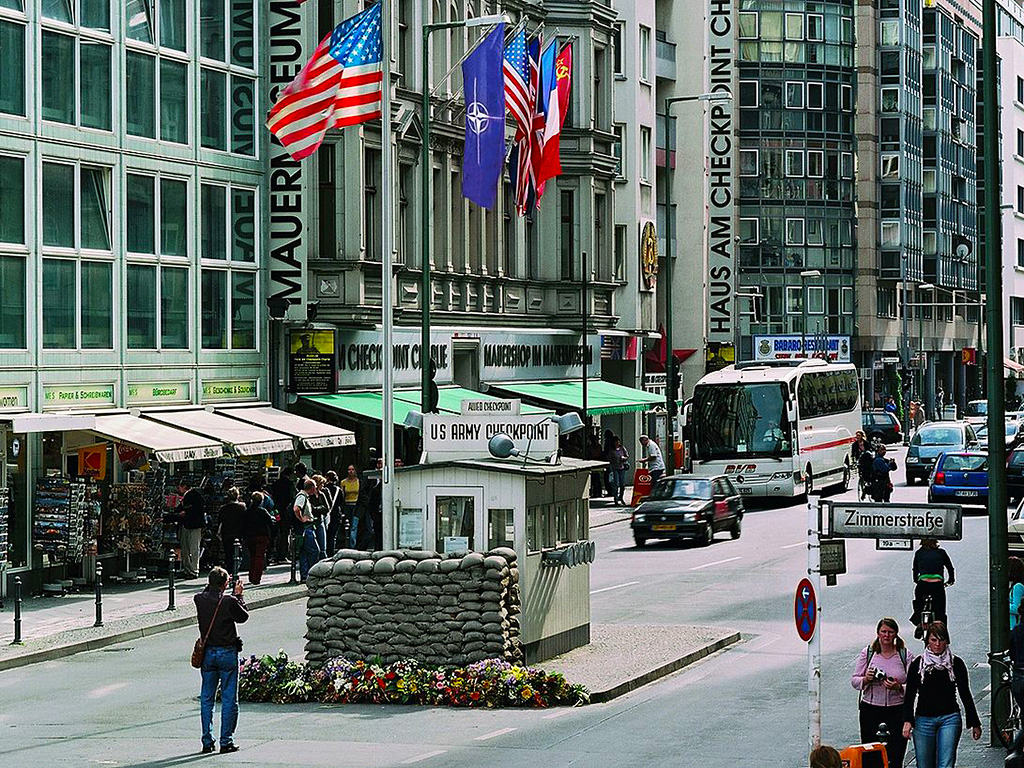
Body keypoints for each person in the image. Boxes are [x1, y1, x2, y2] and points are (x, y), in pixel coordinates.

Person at [902, 622, 981, 768]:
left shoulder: (955, 663)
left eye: (941, 640)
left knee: (946, 763)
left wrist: (974, 722)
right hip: (924, 718)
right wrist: (908, 720)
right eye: (933, 640)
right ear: (928, 642)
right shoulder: (918, 664)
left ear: (947, 641)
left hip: (949, 717)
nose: (938, 644)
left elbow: (965, 693)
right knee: (924, 764)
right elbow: (910, 695)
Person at [195, 566, 248, 754]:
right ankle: (226, 741)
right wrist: (238, 596)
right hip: (227, 653)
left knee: (207, 699)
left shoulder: (199, 599)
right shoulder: (228, 601)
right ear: (225, 584)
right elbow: (243, 616)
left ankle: (207, 740)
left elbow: (206, 592)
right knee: (228, 699)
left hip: (208, 654)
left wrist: (218, 585)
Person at [851, 618, 916, 768]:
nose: (886, 635)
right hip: (871, 708)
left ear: (896, 634)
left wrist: (898, 687)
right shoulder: (868, 653)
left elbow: (914, 686)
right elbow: (855, 681)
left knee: (896, 753)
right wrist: (866, 679)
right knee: (870, 753)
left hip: (897, 709)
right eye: (883, 632)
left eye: (890, 632)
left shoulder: (904, 655)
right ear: (878, 633)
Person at [911, 538, 954, 638]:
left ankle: (919, 623)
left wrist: (917, 580)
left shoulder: (919, 553)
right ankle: (942, 633)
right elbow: (950, 567)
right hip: (937, 585)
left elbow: (915, 569)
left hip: (923, 584)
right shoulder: (941, 553)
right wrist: (951, 579)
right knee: (940, 611)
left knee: (918, 604)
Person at [175, 480, 207, 579]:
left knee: (193, 548)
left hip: (194, 525)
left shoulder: (193, 495)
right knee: (186, 548)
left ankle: (193, 570)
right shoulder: (189, 495)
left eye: (179, 487)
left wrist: (185, 512)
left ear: (184, 486)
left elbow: (194, 509)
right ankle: (188, 569)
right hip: (188, 525)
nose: (178, 489)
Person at [292, 479, 322, 581]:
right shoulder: (302, 497)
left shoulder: (302, 496)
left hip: (302, 529)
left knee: (304, 552)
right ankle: (312, 574)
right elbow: (296, 509)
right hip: (306, 528)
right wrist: (302, 519)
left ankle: (305, 576)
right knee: (314, 551)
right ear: (313, 488)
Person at [242, 491, 274, 585]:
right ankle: (256, 578)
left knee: (252, 556)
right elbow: (270, 523)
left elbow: (243, 524)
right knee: (259, 556)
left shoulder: (247, 512)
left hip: (250, 536)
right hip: (261, 535)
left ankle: (251, 576)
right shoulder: (263, 511)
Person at [218, 487, 247, 576]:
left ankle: (230, 571)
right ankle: (236, 570)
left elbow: (220, 522)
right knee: (238, 553)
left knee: (228, 554)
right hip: (239, 533)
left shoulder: (223, 509)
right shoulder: (242, 507)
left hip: (226, 533)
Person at [268, 467, 295, 563]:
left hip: (276, 511)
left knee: (274, 533)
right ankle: (282, 555)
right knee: (284, 534)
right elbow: (292, 498)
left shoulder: (275, 484)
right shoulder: (290, 484)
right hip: (285, 512)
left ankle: (270, 554)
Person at [322, 471, 343, 555]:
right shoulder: (339, 490)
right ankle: (330, 553)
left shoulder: (324, 489)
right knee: (332, 536)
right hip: (336, 514)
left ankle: (324, 552)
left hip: (325, 514)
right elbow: (341, 502)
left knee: (324, 535)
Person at [341, 465, 361, 548]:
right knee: (347, 525)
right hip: (347, 505)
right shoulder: (343, 482)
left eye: (352, 469)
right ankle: (346, 544)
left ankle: (353, 545)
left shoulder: (358, 481)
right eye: (349, 469)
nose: (351, 471)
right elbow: (341, 495)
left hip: (355, 505)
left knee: (354, 525)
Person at [608, 438, 629, 505]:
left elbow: (627, 456)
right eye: (616, 442)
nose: (617, 443)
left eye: (618, 442)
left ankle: (621, 497)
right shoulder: (612, 451)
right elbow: (609, 459)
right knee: (616, 484)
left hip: (622, 467)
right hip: (615, 468)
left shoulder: (622, 448)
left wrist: (624, 458)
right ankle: (616, 499)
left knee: (622, 484)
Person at [1011, 557, 1024, 631]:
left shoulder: (1018, 587)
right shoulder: (1015, 585)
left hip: (1013, 625)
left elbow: (1016, 608)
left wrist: (1002, 605)